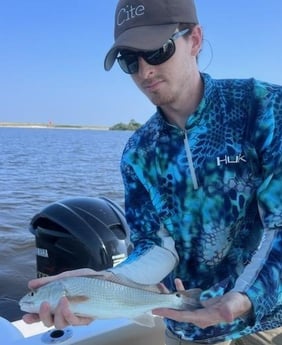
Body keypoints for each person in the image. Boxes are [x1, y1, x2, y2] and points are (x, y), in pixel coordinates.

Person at [23, 0, 282, 344]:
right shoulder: (139, 152)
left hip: (267, 320)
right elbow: (157, 245)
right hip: (184, 324)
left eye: (158, 51)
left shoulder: (263, 108)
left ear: (196, 40)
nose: (144, 72)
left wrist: (244, 298)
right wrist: (111, 281)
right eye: (130, 61)